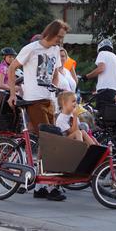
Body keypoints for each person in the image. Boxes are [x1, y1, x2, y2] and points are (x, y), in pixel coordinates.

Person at [8, 19, 70, 201]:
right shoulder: (32, 48)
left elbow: (57, 71)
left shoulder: (55, 51)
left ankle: (42, 185)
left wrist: (55, 89)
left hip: (49, 99)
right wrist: (13, 94)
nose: (60, 40)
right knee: (50, 139)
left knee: (50, 140)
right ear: (50, 33)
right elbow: (12, 68)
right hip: (33, 99)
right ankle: (49, 187)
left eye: (62, 37)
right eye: (59, 36)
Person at [83, 39, 116, 112]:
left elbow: (101, 68)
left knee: (101, 116)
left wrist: (86, 77)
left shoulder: (102, 53)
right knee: (110, 116)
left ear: (99, 48)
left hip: (105, 91)